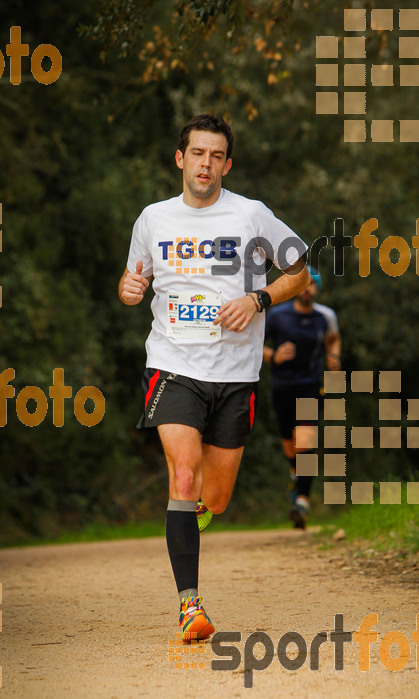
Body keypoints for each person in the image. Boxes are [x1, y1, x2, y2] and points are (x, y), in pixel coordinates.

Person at [118, 114, 310, 641]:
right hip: (173, 365)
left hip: (236, 375)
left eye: (215, 155)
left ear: (228, 163)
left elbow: (300, 272)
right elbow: (133, 280)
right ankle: (190, 606)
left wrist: (257, 298)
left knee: (217, 497)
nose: (205, 163)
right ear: (181, 159)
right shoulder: (153, 219)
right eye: (197, 153)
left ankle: (198, 511)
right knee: (182, 475)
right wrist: (129, 291)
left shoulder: (252, 215)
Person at [263, 273, 340, 529]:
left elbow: (333, 339)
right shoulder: (277, 316)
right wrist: (274, 355)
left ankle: (302, 503)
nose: (308, 290)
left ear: (318, 289)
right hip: (282, 386)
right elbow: (253, 344)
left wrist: (333, 358)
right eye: (304, 285)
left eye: (313, 285)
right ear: (296, 288)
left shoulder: (325, 316)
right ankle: (296, 476)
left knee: (305, 441)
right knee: (290, 446)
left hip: (310, 386)